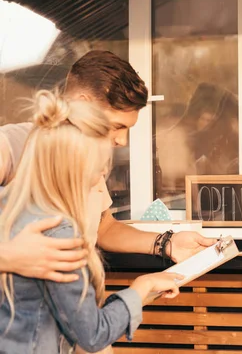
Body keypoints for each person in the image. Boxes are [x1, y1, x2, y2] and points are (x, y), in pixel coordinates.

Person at [0, 50, 216, 280]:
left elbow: (104, 228)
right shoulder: (10, 145)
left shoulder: (90, 161)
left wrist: (167, 243)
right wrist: (7, 256)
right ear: (82, 104)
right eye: (116, 126)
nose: (122, 140)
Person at [0, 90, 183, 353]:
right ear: (77, 168)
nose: (102, 177)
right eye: (101, 166)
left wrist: (167, 242)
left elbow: (104, 226)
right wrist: (143, 288)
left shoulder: (10, 209)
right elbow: (93, 333)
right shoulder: (57, 233)